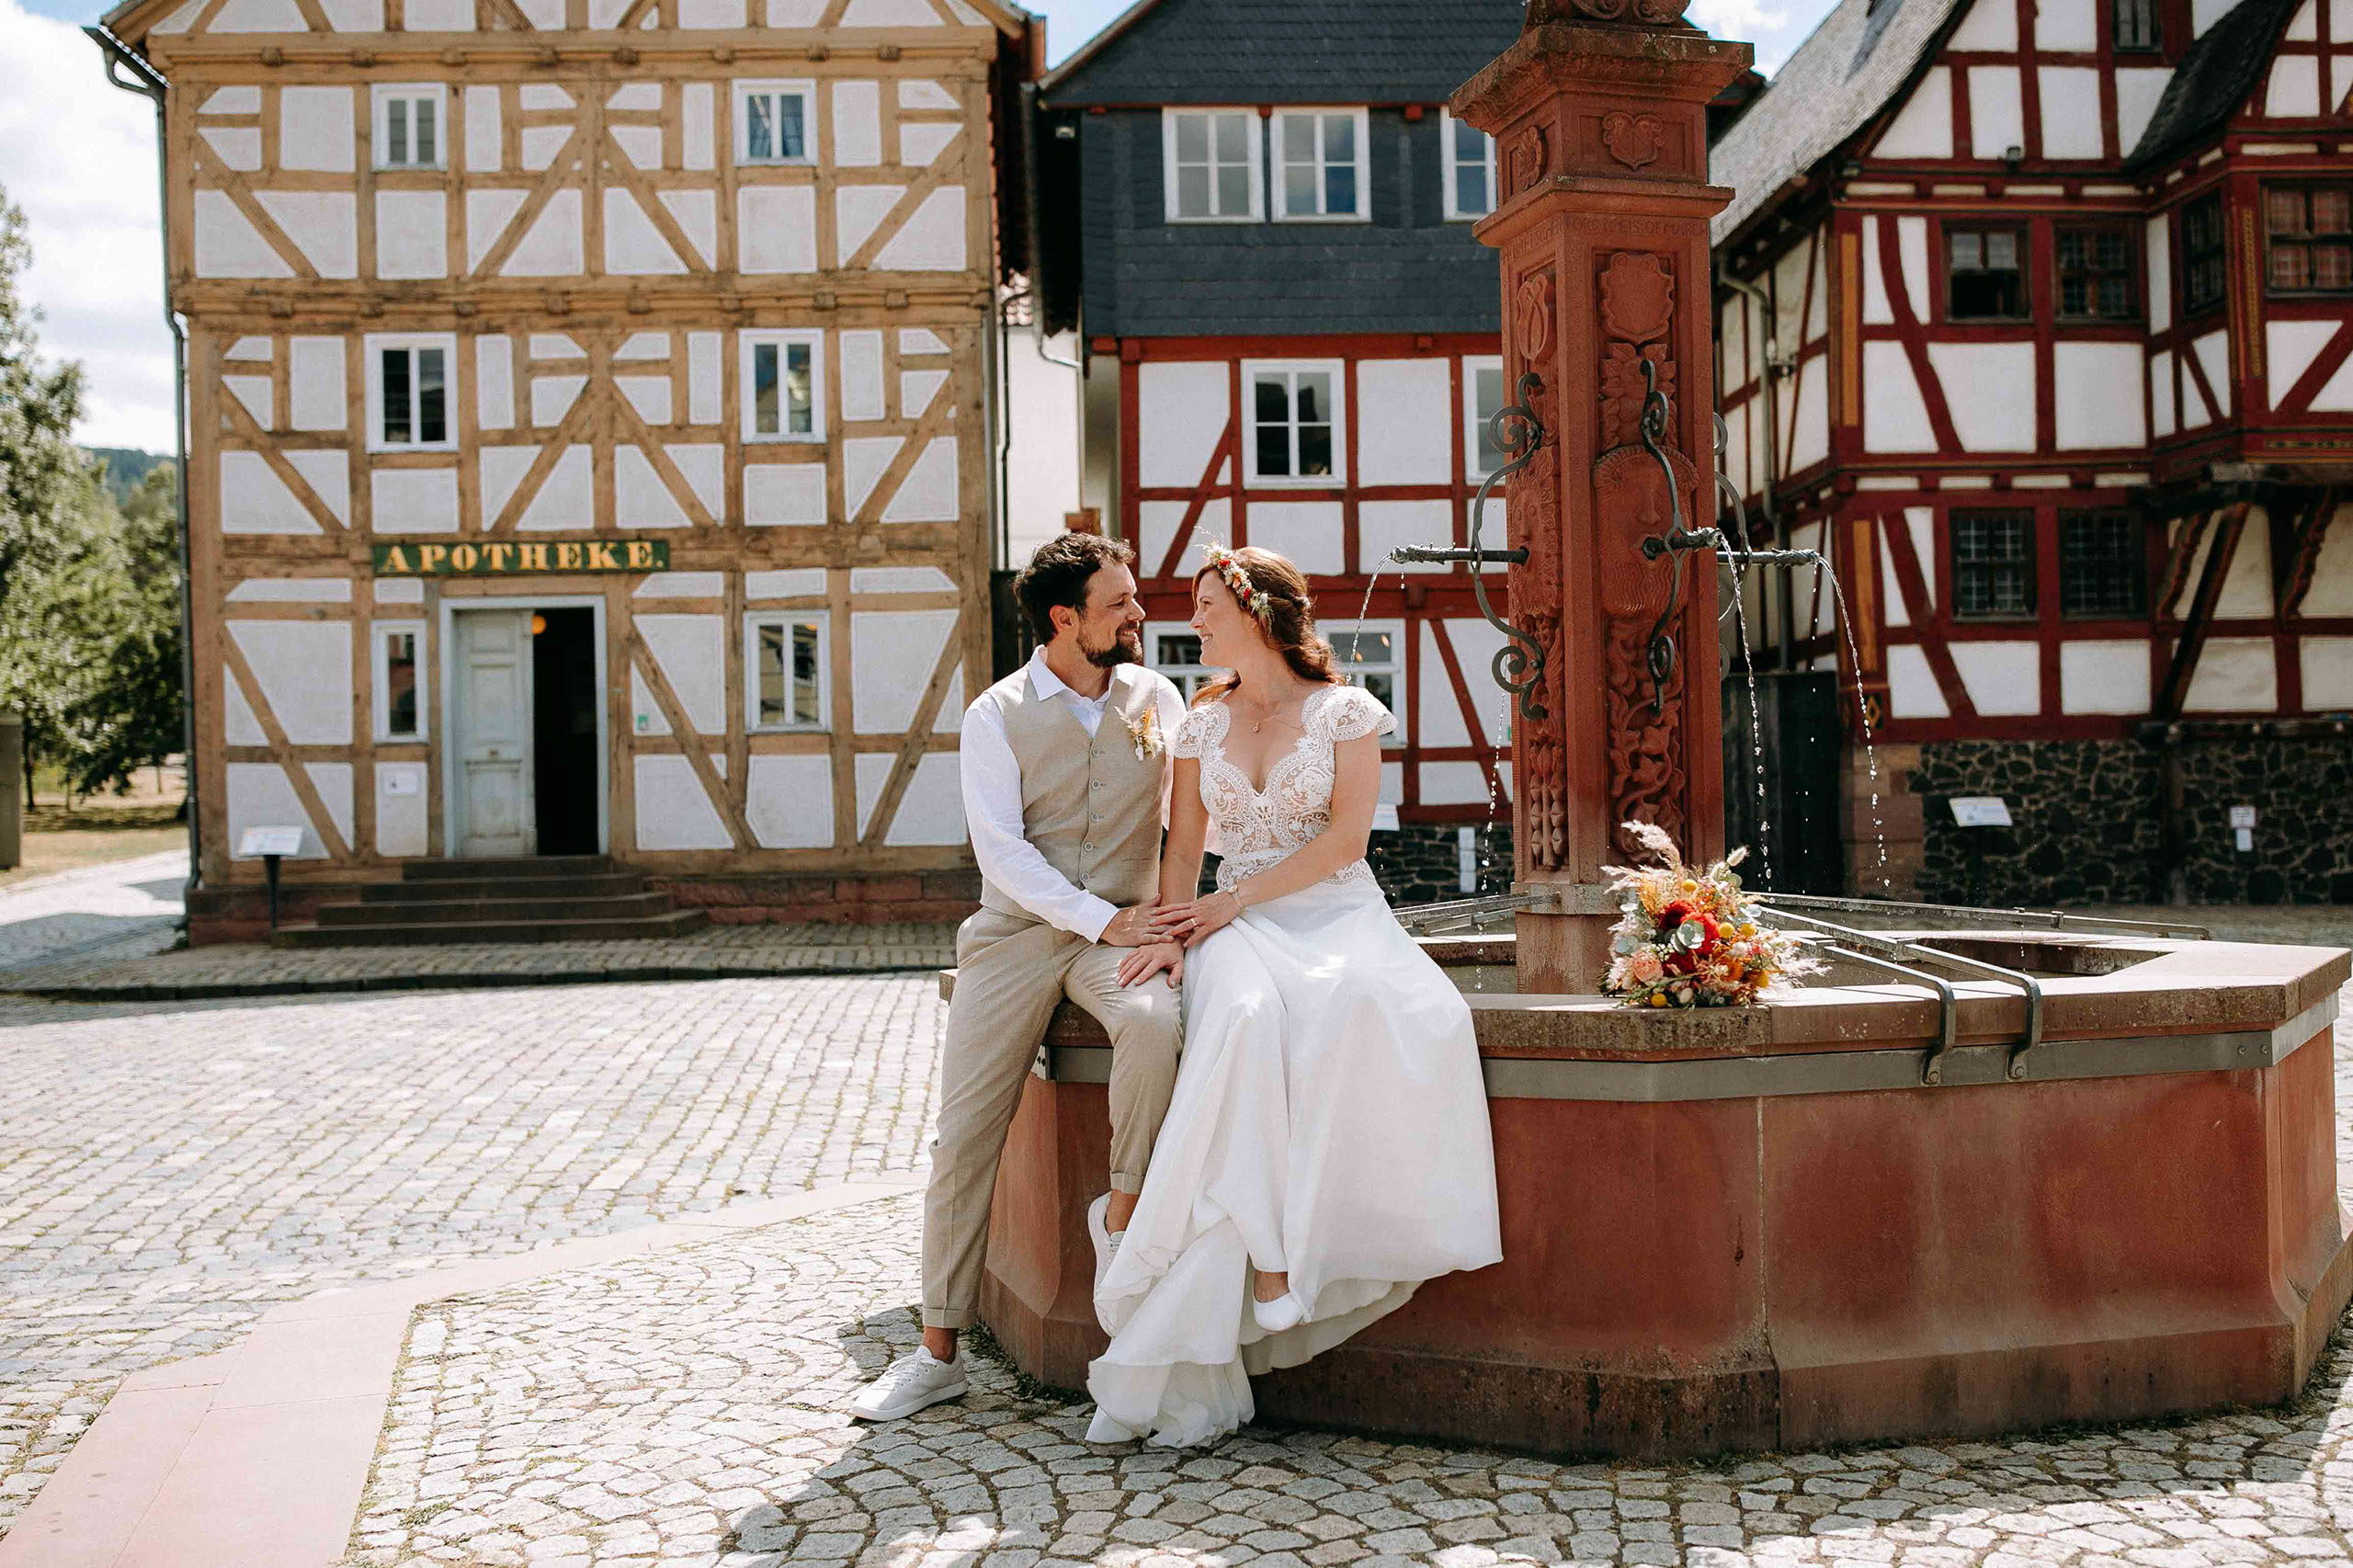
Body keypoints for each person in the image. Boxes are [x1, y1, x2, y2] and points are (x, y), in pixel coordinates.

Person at [1086, 543, 1502, 1448]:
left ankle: (1323, 1241)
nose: (1192, 621)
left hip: (1333, 911)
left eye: (1206, 605)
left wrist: (1233, 899)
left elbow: (1347, 839)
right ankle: (1269, 1260)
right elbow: (1183, 847)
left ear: (1255, 611)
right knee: (1243, 1017)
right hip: (1230, 923)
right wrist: (1171, 931)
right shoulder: (1200, 725)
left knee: (1395, 1010)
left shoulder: (1344, 712)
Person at [847, 533, 1188, 1422]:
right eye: (1119, 603)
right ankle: (938, 1352)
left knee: (1155, 1022)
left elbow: (1194, 820)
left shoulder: (1159, 698)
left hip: (1120, 935)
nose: (1139, 613)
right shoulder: (994, 714)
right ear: (1064, 619)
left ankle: (1122, 1221)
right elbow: (1001, 852)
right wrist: (1100, 917)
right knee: (963, 1138)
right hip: (1015, 938)